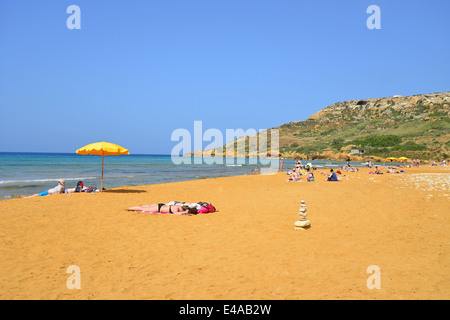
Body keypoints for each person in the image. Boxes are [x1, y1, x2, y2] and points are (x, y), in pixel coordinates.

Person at [126, 203, 196, 215]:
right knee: (142, 208)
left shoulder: (178, 206)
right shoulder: (177, 209)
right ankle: (129, 208)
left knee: (146, 207)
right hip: (159, 208)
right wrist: (184, 212)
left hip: (162, 206)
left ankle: (130, 208)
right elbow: (175, 213)